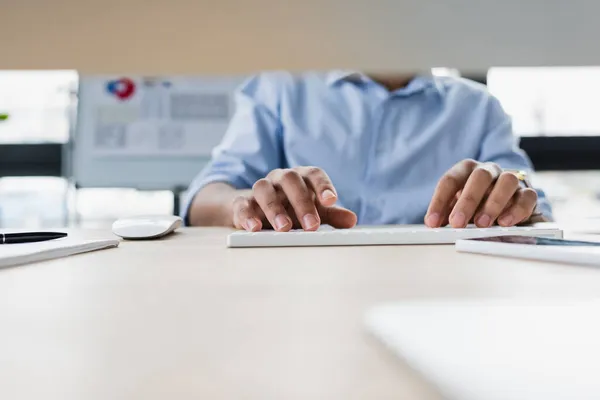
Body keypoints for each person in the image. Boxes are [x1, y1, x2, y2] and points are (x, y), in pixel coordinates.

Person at [181, 71, 552, 232]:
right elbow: (204, 198)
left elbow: (532, 202)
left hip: (442, 292)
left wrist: (513, 196)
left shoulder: (478, 107)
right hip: (298, 290)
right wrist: (250, 205)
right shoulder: (280, 88)